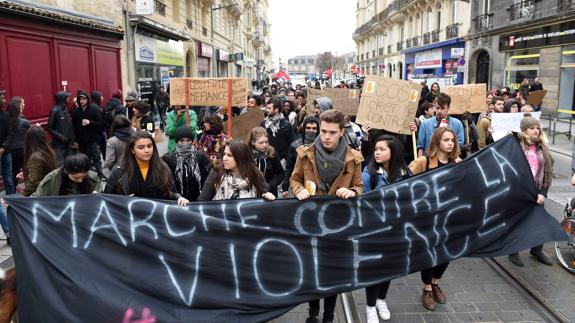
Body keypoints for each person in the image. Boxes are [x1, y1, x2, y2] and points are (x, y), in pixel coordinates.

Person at [290, 110, 363, 323]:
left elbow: (359, 187)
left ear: (341, 132)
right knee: (313, 274)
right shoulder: (304, 154)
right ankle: (312, 312)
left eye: (332, 132)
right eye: (323, 131)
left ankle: (329, 316)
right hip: (311, 225)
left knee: (333, 276)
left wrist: (353, 192)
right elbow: (294, 180)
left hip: (338, 227)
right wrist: (298, 190)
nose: (326, 136)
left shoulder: (354, 159)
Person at [409, 127, 461, 311]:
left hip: (449, 217)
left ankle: (436, 282)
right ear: (437, 142)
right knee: (429, 254)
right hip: (428, 218)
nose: (450, 143)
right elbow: (405, 182)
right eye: (446, 140)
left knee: (447, 253)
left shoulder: (457, 164)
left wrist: (462, 170)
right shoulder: (423, 162)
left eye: (452, 140)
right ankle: (427, 287)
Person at [362, 135, 412, 322]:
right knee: (376, 269)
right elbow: (364, 200)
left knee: (390, 268)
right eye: (376, 149)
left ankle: (381, 300)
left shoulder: (405, 173)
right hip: (375, 231)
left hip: (397, 231)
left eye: (382, 149)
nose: (377, 152)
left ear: (394, 152)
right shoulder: (370, 173)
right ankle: (370, 306)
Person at [508, 115, 554, 267]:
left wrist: (543, 193)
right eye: (532, 128)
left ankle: (536, 250)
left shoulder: (543, 147)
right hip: (519, 190)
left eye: (537, 128)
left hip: (536, 190)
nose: (536, 130)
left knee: (540, 221)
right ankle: (513, 250)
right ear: (524, 130)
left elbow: (548, 172)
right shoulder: (515, 145)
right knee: (518, 221)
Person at [105, 131, 188, 206]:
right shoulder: (119, 171)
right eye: (141, 147)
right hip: (130, 218)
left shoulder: (163, 167)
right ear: (132, 150)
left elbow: (172, 192)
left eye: (149, 146)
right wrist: (123, 201)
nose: (147, 150)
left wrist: (179, 198)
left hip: (157, 216)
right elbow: (106, 198)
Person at [198, 140, 275, 201]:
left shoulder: (255, 175)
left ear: (240, 158)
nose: (224, 158)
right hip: (221, 219)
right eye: (224, 154)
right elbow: (202, 202)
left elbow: (263, 200)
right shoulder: (217, 173)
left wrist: (267, 197)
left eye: (229, 155)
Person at [162, 126, 212, 202]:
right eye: (182, 141)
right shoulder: (168, 159)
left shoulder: (201, 157)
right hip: (176, 202)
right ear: (177, 142)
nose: (185, 143)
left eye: (188, 140)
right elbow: (167, 183)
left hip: (198, 201)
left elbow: (208, 179)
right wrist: (177, 197)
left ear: (192, 141)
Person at [31, 153, 104, 197]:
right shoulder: (52, 179)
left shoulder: (93, 179)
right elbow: (37, 198)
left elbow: (102, 198)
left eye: (84, 176)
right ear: (66, 171)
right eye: (76, 177)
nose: (80, 180)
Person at [282, 116, 320, 198]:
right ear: (304, 129)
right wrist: (285, 187)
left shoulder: (323, 146)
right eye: (308, 128)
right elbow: (289, 167)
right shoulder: (295, 146)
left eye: (314, 128)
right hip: (300, 185)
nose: (311, 131)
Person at [71, 90, 105, 179]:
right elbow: (73, 127)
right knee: (84, 158)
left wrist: (89, 122)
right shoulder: (76, 112)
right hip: (81, 139)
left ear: (87, 99)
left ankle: (100, 174)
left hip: (92, 138)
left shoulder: (94, 109)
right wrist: (75, 140)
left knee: (96, 157)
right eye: (80, 99)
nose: (82, 101)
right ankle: (87, 175)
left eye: (84, 99)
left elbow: (100, 122)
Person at [248, 127, 284, 197]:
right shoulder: (247, 154)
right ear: (253, 142)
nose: (264, 145)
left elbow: (280, 173)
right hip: (251, 194)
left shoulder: (272, 153)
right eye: (261, 143)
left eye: (266, 142)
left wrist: (271, 184)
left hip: (270, 193)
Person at [22, 126, 58, 197]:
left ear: (29, 139)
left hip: (39, 196)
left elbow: (34, 183)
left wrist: (22, 196)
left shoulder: (35, 157)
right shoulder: (49, 152)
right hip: (49, 193)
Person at [3, 96, 30, 187]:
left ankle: (12, 195)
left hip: (10, 151)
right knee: (27, 173)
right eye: (23, 103)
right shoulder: (24, 121)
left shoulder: (5, 119)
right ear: (19, 106)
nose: (24, 105)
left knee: (12, 175)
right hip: (22, 150)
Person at [261, 98, 294, 162]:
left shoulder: (286, 125)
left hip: (281, 160)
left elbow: (291, 144)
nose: (266, 110)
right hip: (267, 158)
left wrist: (286, 159)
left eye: (269, 108)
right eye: (266, 108)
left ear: (276, 109)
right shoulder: (264, 123)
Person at [48, 91, 75, 162]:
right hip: (59, 146)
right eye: (67, 97)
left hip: (68, 144)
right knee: (61, 165)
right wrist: (61, 137)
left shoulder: (65, 109)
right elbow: (50, 128)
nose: (68, 99)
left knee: (69, 164)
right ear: (63, 99)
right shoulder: (54, 111)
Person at [0, 91, 15, 195]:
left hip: (6, 152)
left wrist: (3, 148)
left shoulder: (5, 115)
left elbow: (10, 134)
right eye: (2, 97)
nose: (4, 100)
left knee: (9, 180)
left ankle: (12, 204)